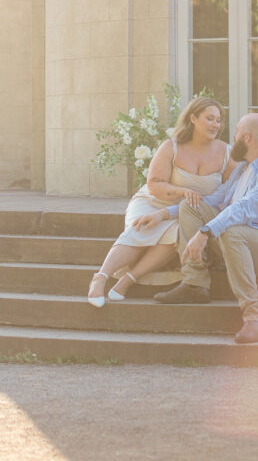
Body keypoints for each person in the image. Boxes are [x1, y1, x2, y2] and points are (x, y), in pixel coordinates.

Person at [153, 112, 258, 345]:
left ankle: (256, 317)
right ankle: (195, 283)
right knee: (191, 207)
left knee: (232, 231)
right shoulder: (243, 169)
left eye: (235, 133)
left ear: (246, 138)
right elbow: (214, 201)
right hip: (243, 240)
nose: (231, 137)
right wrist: (165, 213)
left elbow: (244, 209)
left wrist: (205, 233)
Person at [87, 97, 236, 306]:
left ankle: (127, 280)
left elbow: (227, 195)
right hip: (154, 201)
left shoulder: (227, 153)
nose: (215, 125)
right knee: (143, 226)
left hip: (188, 211)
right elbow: (155, 184)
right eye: (209, 118)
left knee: (177, 232)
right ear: (193, 118)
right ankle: (100, 278)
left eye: (218, 120)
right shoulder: (171, 147)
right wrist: (183, 191)